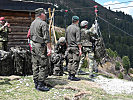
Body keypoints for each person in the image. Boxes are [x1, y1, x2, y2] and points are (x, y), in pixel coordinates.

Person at [30, 8, 51, 91]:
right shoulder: (43, 23)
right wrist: (49, 49)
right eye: (44, 14)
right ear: (41, 14)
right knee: (43, 64)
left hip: (33, 45)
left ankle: (36, 82)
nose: (45, 15)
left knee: (35, 64)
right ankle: (40, 84)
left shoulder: (33, 23)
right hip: (40, 46)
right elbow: (47, 38)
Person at [65, 16, 82, 81]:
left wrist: (67, 46)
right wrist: (80, 49)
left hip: (69, 47)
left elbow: (66, 39)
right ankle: (73, 75)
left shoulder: (68, 28)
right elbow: (78, 40)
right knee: (76, 61)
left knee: (70, 61)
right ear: (77, 21)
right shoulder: (77, 28)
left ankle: (69, 74)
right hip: (75, 47)